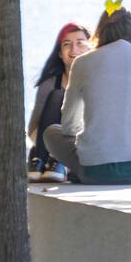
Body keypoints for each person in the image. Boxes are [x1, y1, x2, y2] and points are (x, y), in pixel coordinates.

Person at [42, 7, 131, 186]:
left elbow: (69, 127)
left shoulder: (82, 63)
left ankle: (78, 171)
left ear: (100, 32)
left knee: (51, 132)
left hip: (93, 173)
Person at [27, 22, 91, 184]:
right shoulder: (49, 84)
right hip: (49, 147)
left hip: (81, 148)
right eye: (67, 44)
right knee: (57, 96)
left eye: (80, 43)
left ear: (91, 48)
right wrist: (54, 148)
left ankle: (56, 163)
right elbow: (34, 128)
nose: (74, 49)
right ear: (60, 53)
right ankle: (44, 161)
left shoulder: (98, 80)